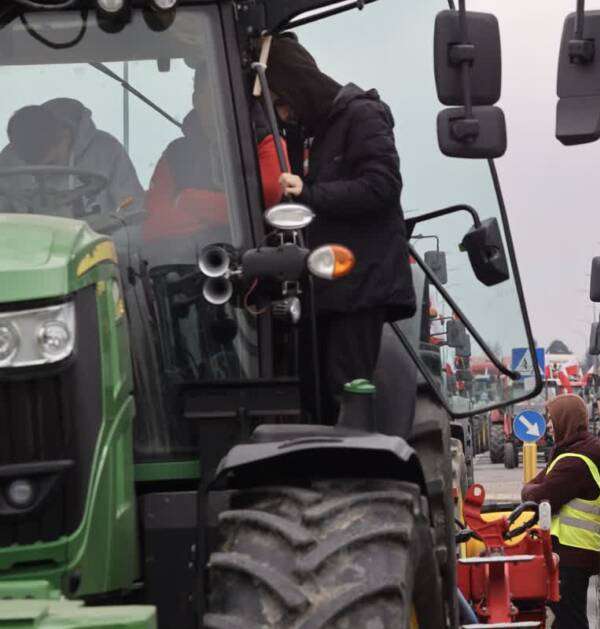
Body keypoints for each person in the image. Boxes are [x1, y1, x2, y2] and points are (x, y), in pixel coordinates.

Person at [266, 34, 416, 424]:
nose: (282, 115)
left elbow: (383, 186)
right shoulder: (313, 131)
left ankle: (352, 466)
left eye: (282, 103)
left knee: (343, 388)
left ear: (298, 91)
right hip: (328, 287)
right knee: (314, 396)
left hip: (360, 284)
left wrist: (309, 193)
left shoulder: (362, 115)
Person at [522, 394, 600, 629]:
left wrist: (532, 491)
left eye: (554, 419)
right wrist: (534, 488)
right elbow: (536, 486)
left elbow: (537, 493)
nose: (551, 426)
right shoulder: (572, 454)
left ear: (567, 420)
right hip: (567, 553)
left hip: (571, 554)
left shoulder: (576, 461)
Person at [144, 69, 288, 244]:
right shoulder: (176, 154)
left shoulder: (267, 142)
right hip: (185, 261)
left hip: (255, 258)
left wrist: (186, 200)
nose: (222, 102)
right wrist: (220, 213)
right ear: (196, 100)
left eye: (229, 93)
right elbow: (153, 221)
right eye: (215, 93)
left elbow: (260, 201)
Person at [0, 99, 144, 219]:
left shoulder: (107, 151)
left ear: (65, 135)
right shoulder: (8, 161)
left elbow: (134, 213)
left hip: (96, 249)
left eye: (51, 164)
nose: (42, 176)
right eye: (32, 169)